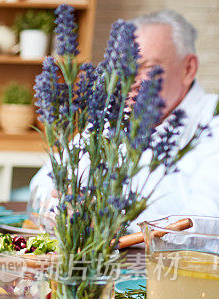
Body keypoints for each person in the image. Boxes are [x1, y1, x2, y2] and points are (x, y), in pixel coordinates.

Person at [29, 10, 219, 230]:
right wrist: (64, 207)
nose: (131, 81)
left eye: (147, 67)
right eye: (124, 71)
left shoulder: (212, 125)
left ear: (188, 69)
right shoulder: (113, 118)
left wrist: (105, 220)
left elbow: (206, 224)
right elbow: (40, 187)